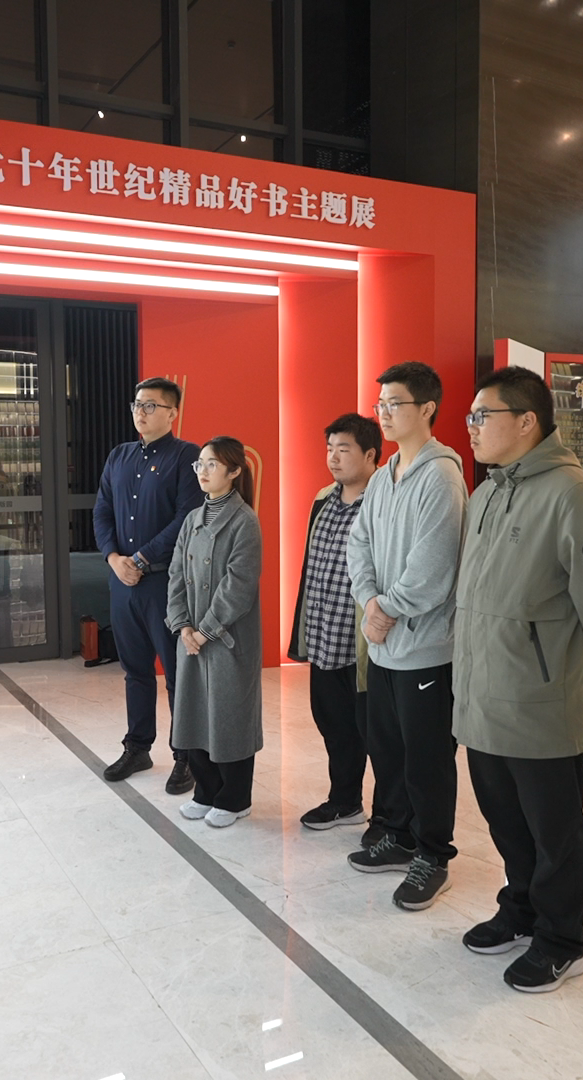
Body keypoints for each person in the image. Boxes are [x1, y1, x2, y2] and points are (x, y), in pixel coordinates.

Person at [451, 367, 583, 993]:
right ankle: (522, 909)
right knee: (506, 820)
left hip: (541, 700)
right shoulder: (487, 493)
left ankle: (563, 938)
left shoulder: (572, 494)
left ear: (527, 421)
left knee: (553, 830)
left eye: (483, 416)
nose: (472, 427)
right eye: (472, 416)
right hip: (482, 695)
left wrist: (564, 665)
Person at [344, 361, 467, 910]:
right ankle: (397, 835)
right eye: (381, 405)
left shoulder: (441, 476)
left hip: (425, 648)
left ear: (427, 409)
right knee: (388, 748)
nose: (385, 414)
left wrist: (387, 608)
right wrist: (370, 601)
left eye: (395, 404)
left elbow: (434, 568)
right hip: (383, 644)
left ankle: (433, 854)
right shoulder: (384, 475)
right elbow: (359, 544)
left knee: (427, 759)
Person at [93, 377, 205, 793]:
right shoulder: (119, 456)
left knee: (177, 674)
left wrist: (140, 558)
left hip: (165, 584)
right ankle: (138, 747)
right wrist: (114, 559)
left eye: (151, 405)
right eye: (137, 404)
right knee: (135, 671)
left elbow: (186, 518)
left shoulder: (187, 456)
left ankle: (186, 756)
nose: (141, 412)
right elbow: (102, 511)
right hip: (123, 583)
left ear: (173, 413)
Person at [287, 413, 384, 834]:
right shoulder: (323, 499)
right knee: (334, 725)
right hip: (324, 635)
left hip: (365, 642)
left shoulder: (383, 500)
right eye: (329, 449)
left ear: (370, 455)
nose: (333, 457)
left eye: (344, 449)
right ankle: (345, 801)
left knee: (376, 734)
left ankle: (388, 819)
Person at [167, 436, 265, 827]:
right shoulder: (192, 519)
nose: (203, 471)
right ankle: (205, 792)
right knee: (194, 715)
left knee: (230, 718)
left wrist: (204, 631)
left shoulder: (245, 521)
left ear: (234, 471)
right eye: (200, 464)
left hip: (226, 639)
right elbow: (176, 575)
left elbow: (238, 585)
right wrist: (182, 625)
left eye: (212, 464)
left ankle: (235, 798)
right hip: (191, 638)